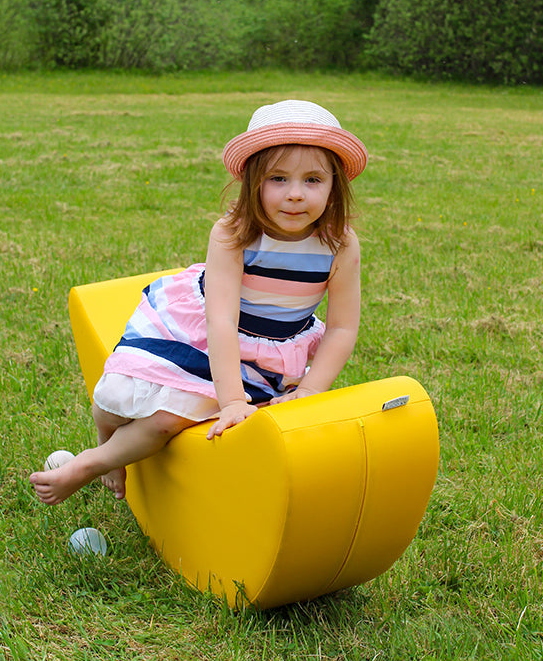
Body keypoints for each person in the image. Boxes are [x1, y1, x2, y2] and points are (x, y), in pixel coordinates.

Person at [30, 99, 368, 505]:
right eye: (278, 178)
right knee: (116, 402)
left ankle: (91, 463)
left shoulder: (340, 244)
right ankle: (106, 440)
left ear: (334, 185)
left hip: (270, 354)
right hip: (204, 337)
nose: (295, 195)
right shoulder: (234, 234)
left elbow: (343, 326)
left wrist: (312, 388)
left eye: (313, 180)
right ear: (253, 181)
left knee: (165, 422)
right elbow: (221, 321)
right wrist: (231, 402)